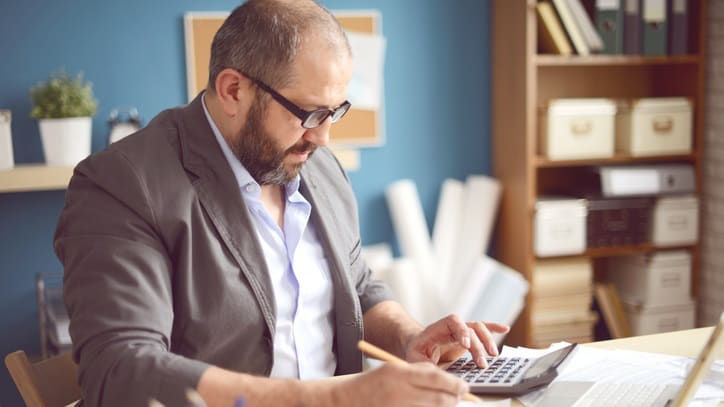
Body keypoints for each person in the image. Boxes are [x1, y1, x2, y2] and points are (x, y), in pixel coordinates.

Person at [54, 1, 509, 406]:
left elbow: (357, 285)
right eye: (309, 114)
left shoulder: (317, 166)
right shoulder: (122, 183)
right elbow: (121, 371)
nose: (324, 137)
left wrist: (411, 337)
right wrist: (340, 397)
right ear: (233, 90)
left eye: (334, 113)